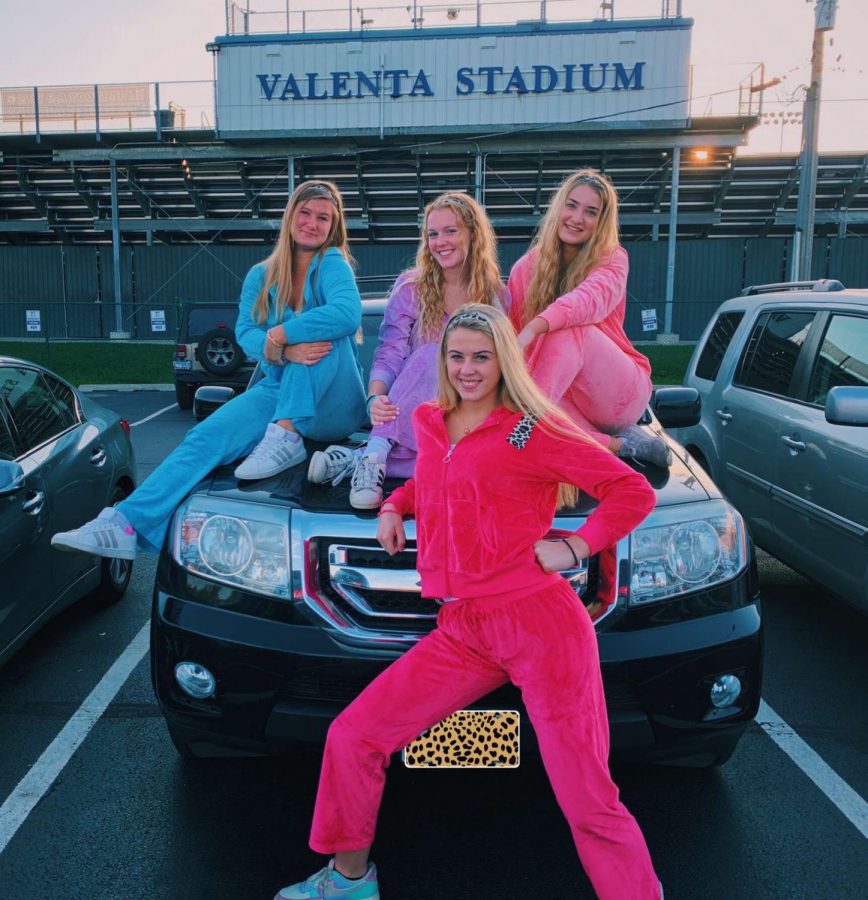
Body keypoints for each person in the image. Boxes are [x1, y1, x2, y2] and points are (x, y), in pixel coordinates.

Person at [274, 304, 662, 900]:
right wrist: (391, 508)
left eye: (482, 356)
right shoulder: (430, 420)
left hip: (540, 626)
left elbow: (629, 489)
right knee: (355, 735)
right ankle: (348, 882)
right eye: (457, 356)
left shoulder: (530, 428)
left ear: (503, 358)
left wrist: (577, 547)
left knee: (587, 797)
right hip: (465, 627)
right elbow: (431, 481)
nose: (468, 369)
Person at [51, 180, 366, 560]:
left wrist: (281, 335)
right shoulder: (261, 276)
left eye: (323, 218)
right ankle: (124, 523)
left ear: (333, 227)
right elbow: (247, 332)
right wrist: (280, 351)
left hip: (337, 404)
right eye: (305, 213)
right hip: (279, 388)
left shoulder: (332, 263)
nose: (312, 224)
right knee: (203, 438)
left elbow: (347, 314)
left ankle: (286, 436)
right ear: (290, 215)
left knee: (323, 339)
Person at [306, 191, 507, 510]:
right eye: (433, 234)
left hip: (468, 411)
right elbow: (390, 351)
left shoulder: (496, 297)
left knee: (440, 356)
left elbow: (503, 366)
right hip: (411, 418)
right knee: (430, 356)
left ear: (472, 232)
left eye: (451, 231)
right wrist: (375, 398)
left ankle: (360, 457)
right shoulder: (412, 288)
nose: (440, 242)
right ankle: (374, 453)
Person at [508, 168, 672, 467]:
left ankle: (525, 425)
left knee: (567, 329)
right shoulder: (524, 269)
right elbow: (517, 349)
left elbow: (588, 301)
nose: (577, 217)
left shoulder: (613, 258)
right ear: (559, 207)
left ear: (601, 222)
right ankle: (620, 443)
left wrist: (535, 326)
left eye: (591, 212)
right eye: (571, 205)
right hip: (564, 398)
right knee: (521, 384)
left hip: (617, 390)